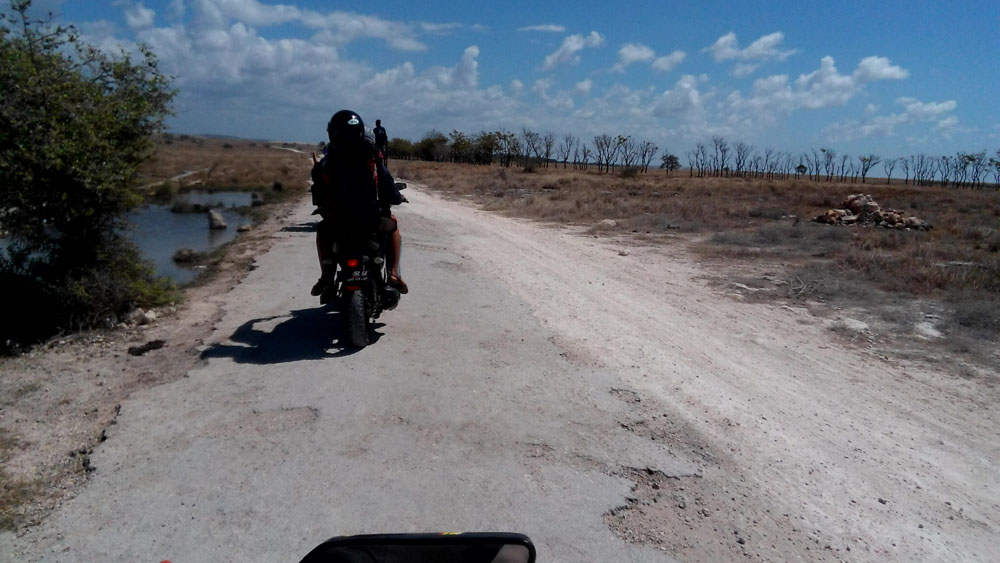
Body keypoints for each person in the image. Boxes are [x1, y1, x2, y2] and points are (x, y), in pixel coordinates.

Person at [310, 110, 407, 299]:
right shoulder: (371, 156)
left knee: (322, 229)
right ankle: (393, 273)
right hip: (371, 220)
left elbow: (318, 189)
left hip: (338, 221)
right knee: (393, 225)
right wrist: (397, 198)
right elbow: (387, 185)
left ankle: (326, 277)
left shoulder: (329, 159)